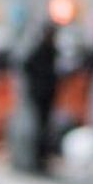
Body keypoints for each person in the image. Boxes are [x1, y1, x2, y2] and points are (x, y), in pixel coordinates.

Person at [22, 22, 60, 173]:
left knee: (44, 126)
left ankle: (42, 156)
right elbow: (27, 65)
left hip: (45, 94)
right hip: (41, 94)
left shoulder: (50, 51)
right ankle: (39, 158)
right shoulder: (42, 51)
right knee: (41, 127)